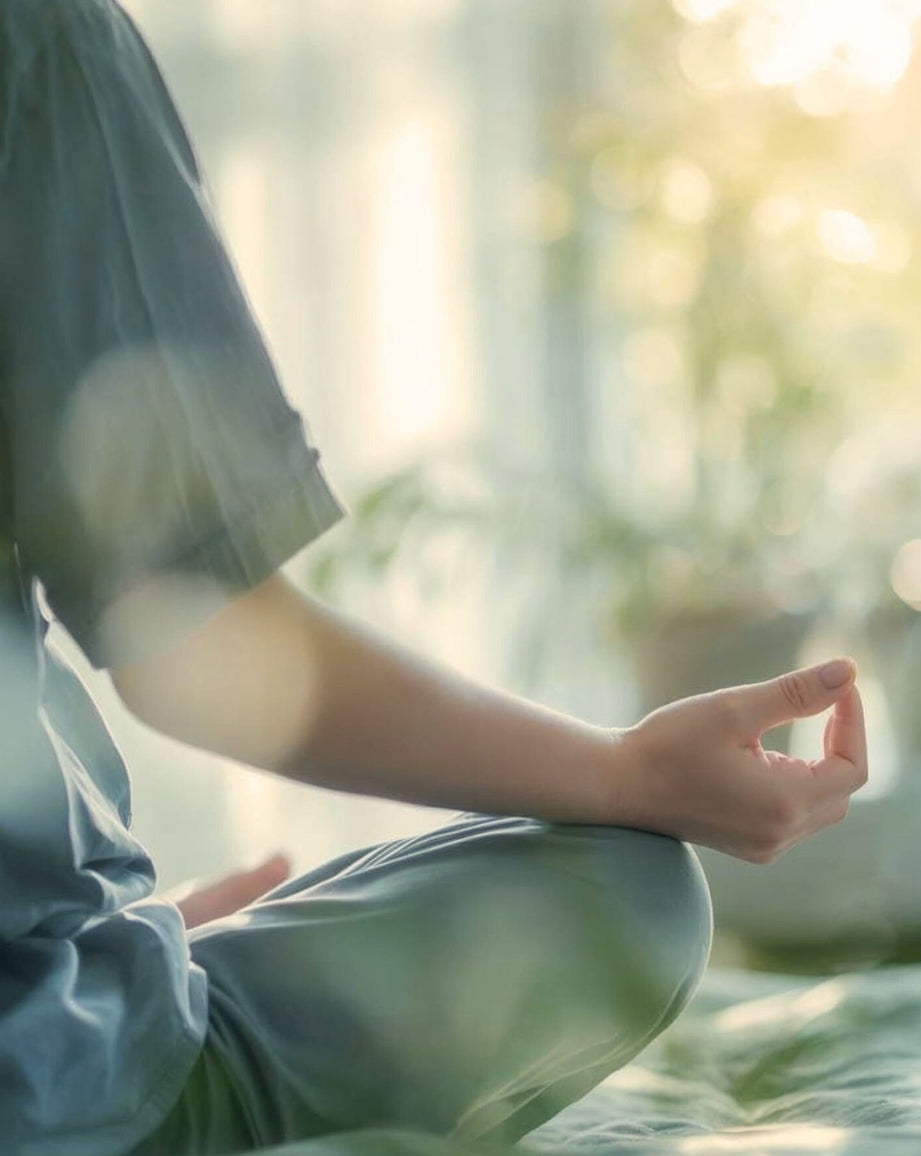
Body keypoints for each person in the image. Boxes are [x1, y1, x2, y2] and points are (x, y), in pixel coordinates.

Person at [0, 1, 869, 1153]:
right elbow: (197, 643)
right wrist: (624, 775)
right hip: (44, 1076)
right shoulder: (38, 38)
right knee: (625, 895)